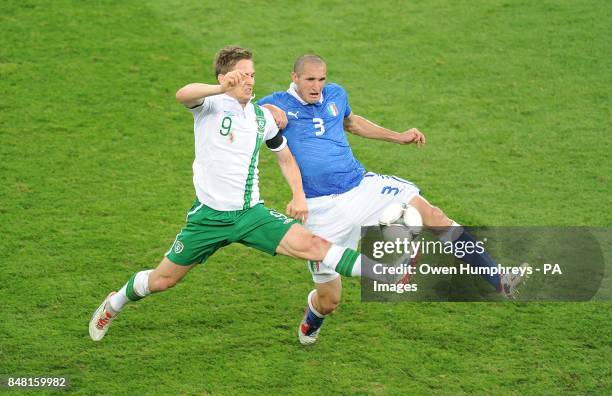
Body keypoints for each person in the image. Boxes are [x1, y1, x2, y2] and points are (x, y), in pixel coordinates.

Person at [88, 47, 399, 342]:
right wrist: (218, 89)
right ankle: (113, 304)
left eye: (252, 75)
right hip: (209, 219)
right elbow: (182, 94)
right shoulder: (210, 106)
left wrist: (297, 194)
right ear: (226, 78)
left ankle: (382, 273)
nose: (251, 81)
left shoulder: (261, 117)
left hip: (252, 215)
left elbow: (285, 156)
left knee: (313, 245)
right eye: (243, 75)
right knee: (161, 281)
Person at [259, 54, 528, 345]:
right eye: (310, 80)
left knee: (432, 215)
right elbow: (249, 117)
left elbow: (352, 123)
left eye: (321, 79)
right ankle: (313, 317)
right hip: (320, 209)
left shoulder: (335, 94)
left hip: (360, 187)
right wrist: (265, 110)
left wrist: (398, 137)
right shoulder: (277, 105)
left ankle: (498, 278)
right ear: (295, 77)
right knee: (330, 300)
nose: (317, 86)